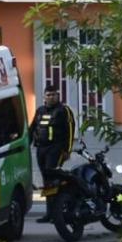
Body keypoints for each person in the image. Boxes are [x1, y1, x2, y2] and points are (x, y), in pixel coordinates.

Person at [29, 84, 75, 223]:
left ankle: (59, 213)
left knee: (54, 178)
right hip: (41, 149)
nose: (51, 97)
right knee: (47, 181)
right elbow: (32, 129)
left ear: (58, 96)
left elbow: (71, 130)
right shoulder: (40, 111)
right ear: (44, 97)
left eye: (54, 94)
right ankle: (49, 213)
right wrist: (25, 144)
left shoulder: (64, 110)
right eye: (48, 95)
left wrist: (68, 150)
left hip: (56, 149)